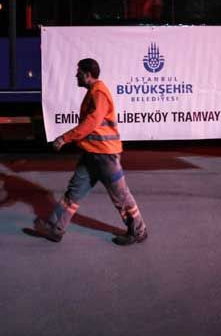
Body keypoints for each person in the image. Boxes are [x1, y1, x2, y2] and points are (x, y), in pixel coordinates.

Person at [32, 58, 148, 246]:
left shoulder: (99, 92)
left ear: (87, 74)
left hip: (105, 156)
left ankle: (138, 231)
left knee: (120, 196)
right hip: (91, 154)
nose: (75, 75)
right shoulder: (93, 92)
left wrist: (65, 138)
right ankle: (55, 228)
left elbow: (91, 123)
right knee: (74, 192)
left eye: (78, 71)